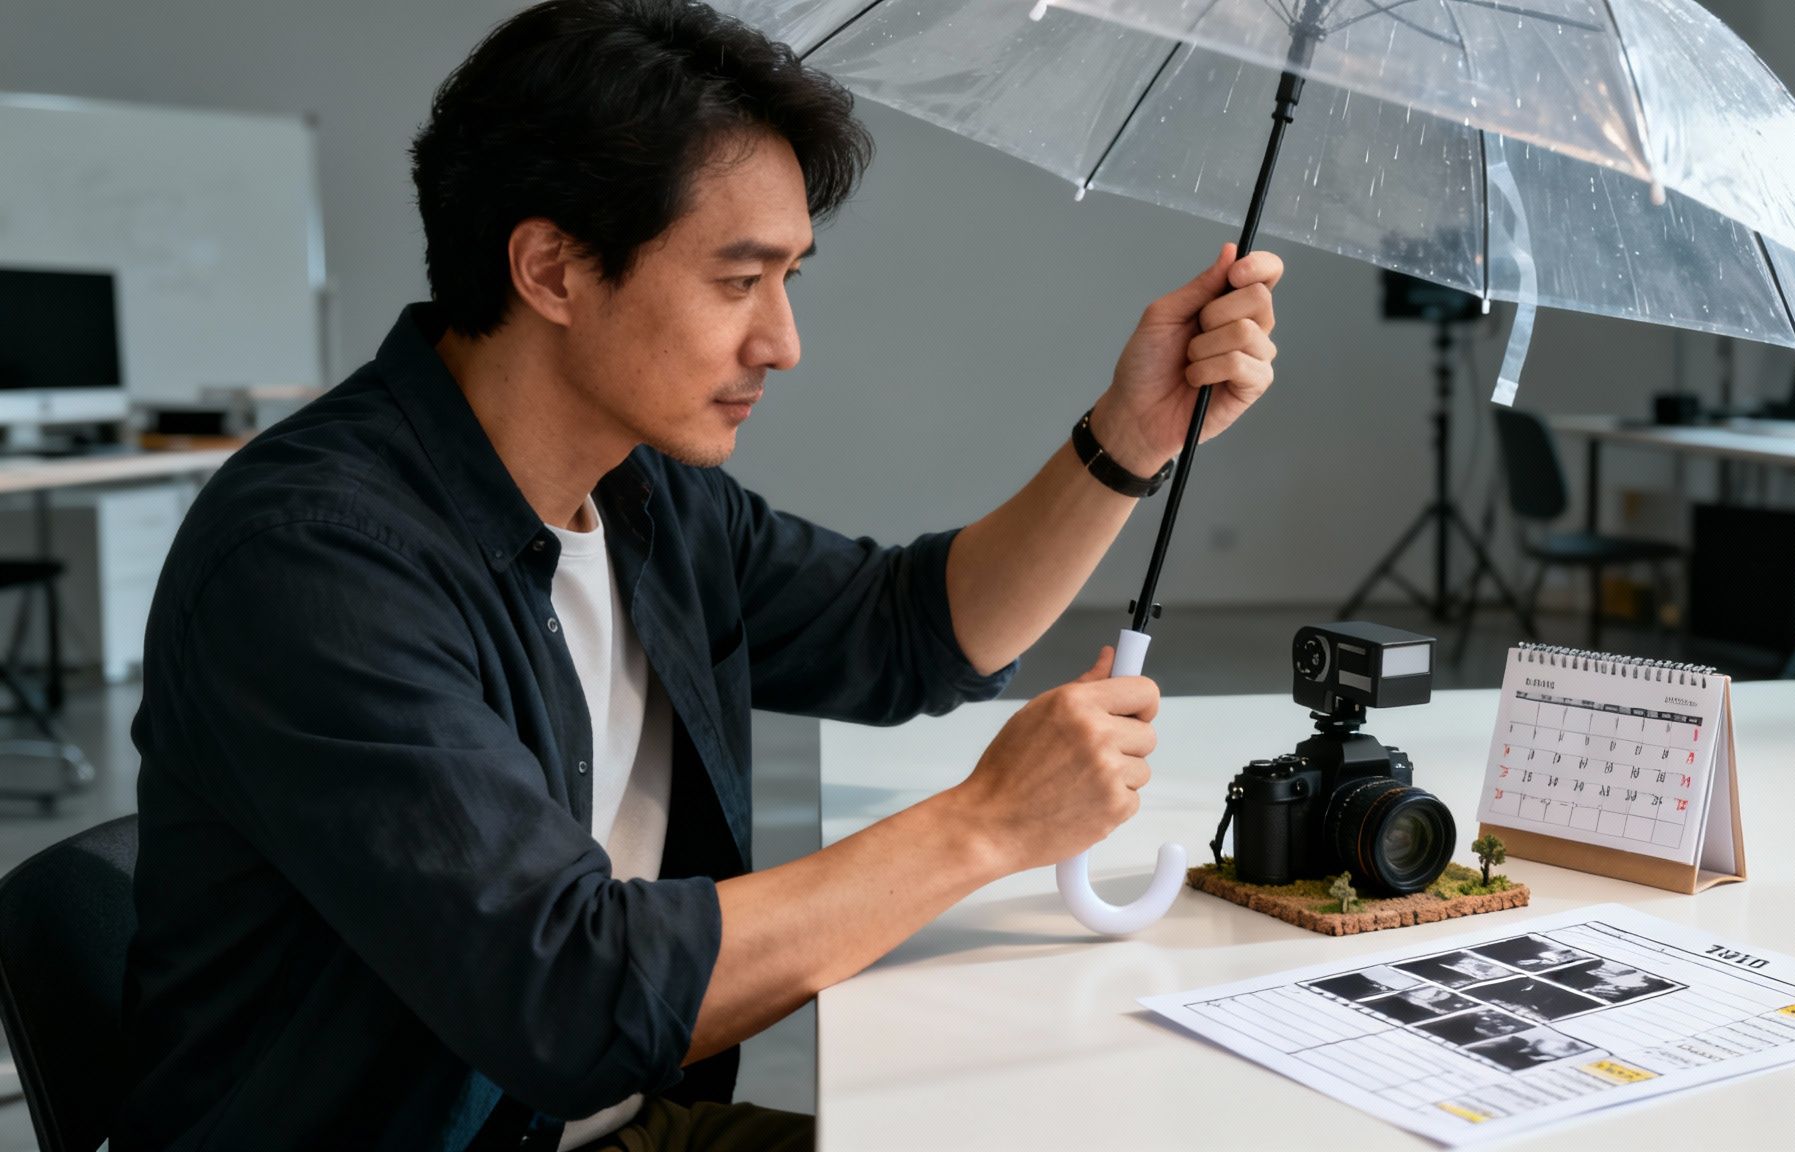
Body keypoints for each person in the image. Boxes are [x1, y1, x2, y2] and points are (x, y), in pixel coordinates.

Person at [115, 1, 1284, 1148]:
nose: (782, 341)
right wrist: (983, 825)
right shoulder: (318, 559)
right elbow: (567, 997)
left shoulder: (643, 496)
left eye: (788, 280)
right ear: (552, 270)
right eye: (738, 280)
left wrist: (1131, 436)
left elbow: (907, 632)